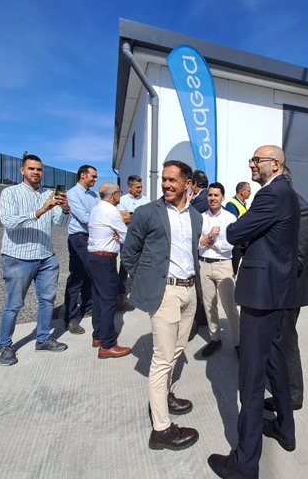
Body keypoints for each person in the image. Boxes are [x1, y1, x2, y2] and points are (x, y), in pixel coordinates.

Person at [208, 145, 300, 479]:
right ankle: (285, 430)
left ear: (274, 164)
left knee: (250, 380)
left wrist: (235, 231)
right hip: (276, 294)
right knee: (276, 365)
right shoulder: (286, 193)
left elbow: (235, 233)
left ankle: (244, 464)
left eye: (256, 160)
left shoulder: (270, 195)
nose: (251, 164)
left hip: (262, 297)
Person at [121, 160, 202, 451]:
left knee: (178, 350)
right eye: (164, 180)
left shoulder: (195, 216)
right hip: (165, 293)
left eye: (172, 180)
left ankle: (164, 395)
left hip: (189, 291)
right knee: (162, 359)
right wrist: (149, 281)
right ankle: (162, 430)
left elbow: (192, 251)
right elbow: (129, 254)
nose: (166, 185)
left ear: (187, 184)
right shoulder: (146, 213)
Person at [0, 154, 70, 366]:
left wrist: (65, 209)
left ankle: (43, 339)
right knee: (14, 304)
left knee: (46, 300)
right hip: (18, 257)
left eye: (39, 169)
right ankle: (4, 345)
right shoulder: (10, 193)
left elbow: (60, 223)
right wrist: (40, 210)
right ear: (22, 170)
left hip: (46, 256)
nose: (36, 172)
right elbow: (9, 222)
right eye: (31, 168)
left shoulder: (49, 193)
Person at [265, 167, 308, 412]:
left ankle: (292, 397)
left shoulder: (301, 208)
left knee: (286, 342)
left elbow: (297, 259)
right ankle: (283, 390)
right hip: (277, 288)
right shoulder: (281, 204)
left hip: (289, 290)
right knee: (277, 341)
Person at [87, 182, 132, 359]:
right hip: (105, 259)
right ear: (114, 194)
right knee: (108, 300)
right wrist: (118, 231)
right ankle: (108, 344)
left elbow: (118, 233)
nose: (120, 196)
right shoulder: (111, 211)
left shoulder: (97, 208)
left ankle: (98, 335)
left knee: (98, 298)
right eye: (119, 193)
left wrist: (116, 232)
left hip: (94, 257)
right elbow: (125, 235)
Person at [198, 182, 240, 358]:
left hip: (223, 265)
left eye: (216, 195)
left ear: (222, 197)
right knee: (209, 306)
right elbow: (198, 244)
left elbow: (230, 245)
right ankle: (215, 339)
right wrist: (210, 237)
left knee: (230, 306)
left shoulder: (230, 218)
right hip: (204, 265)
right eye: (210, 195)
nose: (212, 198)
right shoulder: (200, 217)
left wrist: (210, 242)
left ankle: (239, 343)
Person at [63, 164, 98, 335]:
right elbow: (84, 217)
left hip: (91, 237)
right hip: (78, 238)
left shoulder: (93, 195)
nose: (95, 179)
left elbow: (100, 212)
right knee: (77, 276)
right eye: (93, 176)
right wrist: (102, 218)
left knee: (90, 273)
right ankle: (70, 317)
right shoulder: (72, 194)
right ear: (83, 175)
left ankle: (87, 306)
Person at [116, 175, 150, 309]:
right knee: (124, 267)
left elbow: (148, 219)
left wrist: (131, 215)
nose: (140, 189)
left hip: (142, 240)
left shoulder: (146, 200)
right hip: (127, 240)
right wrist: (137, 216)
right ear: (129, 187)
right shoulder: (122, 200)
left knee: (142, 266)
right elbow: (122, 219)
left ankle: (141, 295)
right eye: (137, 187)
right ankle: (121, 296)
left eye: (141, 187)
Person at [224, 181, 251, 276]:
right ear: (242, 192)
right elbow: (233, 222)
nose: (250, 193)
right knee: (233, 270)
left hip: (243, 241)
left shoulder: (244, 204)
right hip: (236, 243)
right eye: (248, 191)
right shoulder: (231, 204)